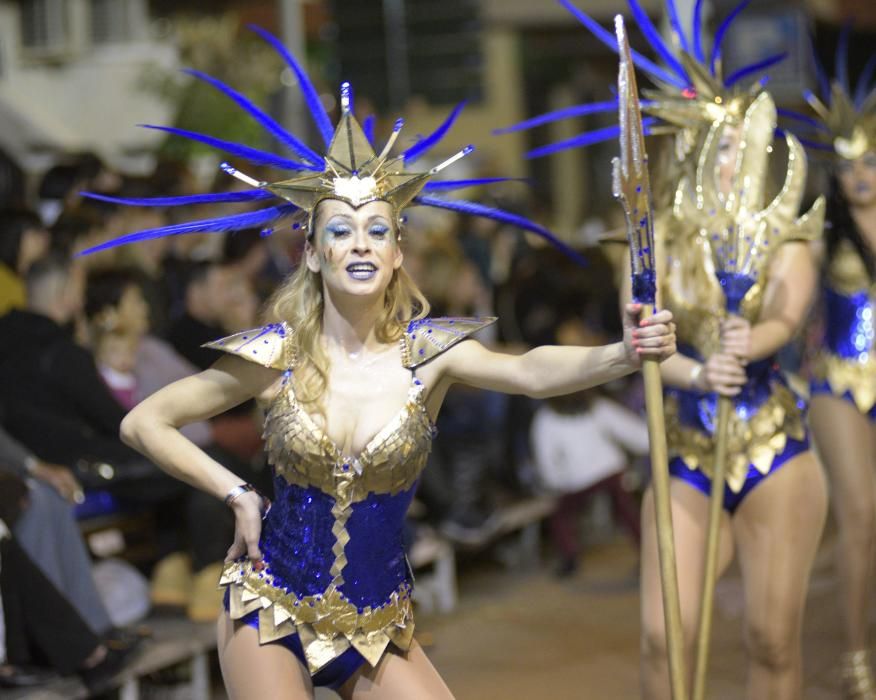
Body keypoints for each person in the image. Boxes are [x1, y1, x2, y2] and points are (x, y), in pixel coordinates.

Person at [81, 28, 676, 699]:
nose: (360, 244)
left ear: (397, 253)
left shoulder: (432, 354)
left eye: (377, 230)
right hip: (270, 609)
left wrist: (624, 353)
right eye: (340, 229)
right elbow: (146, 422)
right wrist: (238, 494)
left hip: (374, 621)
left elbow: (531, 371)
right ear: (312, 253)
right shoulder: (279, 352)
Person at [498, 4, 827, 698]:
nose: (731, 159)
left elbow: (788, 311)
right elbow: (641, 338)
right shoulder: (654, 241)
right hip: (683, 446)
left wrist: (755, 338)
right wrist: (702, 370)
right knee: (662, 638)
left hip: (770, 442)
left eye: (741, 143)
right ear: (690, 150)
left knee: (771, 641)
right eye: (717, 144)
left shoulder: (781, 231)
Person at [798, 42, 876, 697]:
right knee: (861, 513)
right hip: (840, 382)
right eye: (848, 164)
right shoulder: (824, 235)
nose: (859, 175)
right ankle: (856, 659)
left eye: (870, 161)